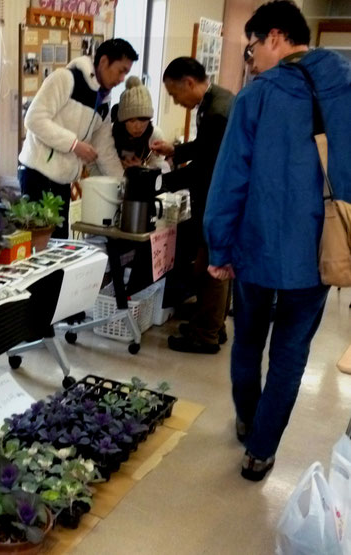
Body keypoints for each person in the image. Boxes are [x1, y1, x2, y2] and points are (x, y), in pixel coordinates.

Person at [203, 0, 351, 481]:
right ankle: (261, 453)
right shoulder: (345, 88)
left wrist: (219, 248)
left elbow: (230, 181)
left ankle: (249, 420)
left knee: (248, 342)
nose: (252, 61)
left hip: (258, 250)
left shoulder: (256, 97)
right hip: (319, 253)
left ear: (273, 37)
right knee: (291, 355)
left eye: (251, 50)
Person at [151, 57, 234, 354]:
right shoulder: (217, 101)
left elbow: (206, 165)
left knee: (212, 267)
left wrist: (161, 183)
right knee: (209, 263)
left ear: (189, 82)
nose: (175, 101)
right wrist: (176, 150)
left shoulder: (216, 112)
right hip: (218, 195)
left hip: (219, 198)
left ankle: (205, 335)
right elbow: (205, 147)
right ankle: (212, 325)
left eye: (174, 94)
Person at [18, 38, 138, 238]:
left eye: (127, 72)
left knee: (58, 246)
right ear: (103, 62)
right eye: (121, 70)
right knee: (38, 247)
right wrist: (73, 144)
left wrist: (123, 184)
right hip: (37, 174)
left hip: (63, 180)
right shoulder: (66, 79)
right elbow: (33, 119)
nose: (122, 78)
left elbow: (104, 150)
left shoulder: (104, 101)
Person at [112, 76, 166, 170]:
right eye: (132, 120)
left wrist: (142, 168)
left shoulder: (155, 135)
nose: (138, 126)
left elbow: (159, 168)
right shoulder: (109, 132)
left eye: (143, 120)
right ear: (123, 120)